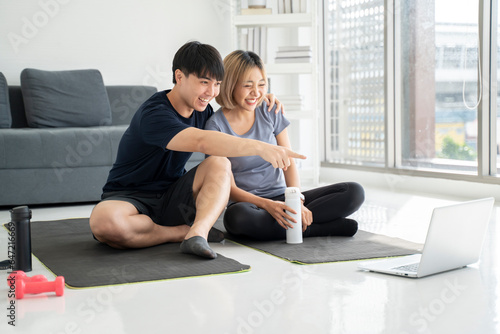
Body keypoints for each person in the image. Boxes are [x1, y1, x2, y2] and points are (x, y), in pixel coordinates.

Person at [89, 42, 305, 259]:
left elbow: (231, 116)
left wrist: (263, 98)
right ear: (180, 76)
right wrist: (260, 147)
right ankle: (178, 233)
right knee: (105, 223)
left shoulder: (203, 111)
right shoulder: (154, 114)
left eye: (216, 84)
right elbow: (202, 141)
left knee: (220, 163)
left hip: (174, 196)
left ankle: (197, 234)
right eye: (204, 82)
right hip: (129, 196)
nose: (210, 92)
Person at [205, 50, 365, 241]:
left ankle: (292, 225)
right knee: (236, 219)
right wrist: (268, 206)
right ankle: (318, 229)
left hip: (284, 197)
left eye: (262, 85)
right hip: (250, 205)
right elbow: (229, 189)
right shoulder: (216, 126)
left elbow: (288, 162)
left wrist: (296, 201)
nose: (256, 93)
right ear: (230, 85)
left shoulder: (269, 110)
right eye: (248, 86)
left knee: (354, 192)